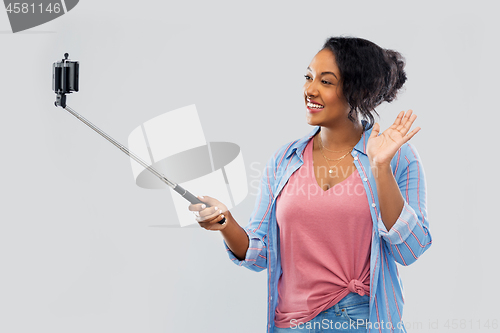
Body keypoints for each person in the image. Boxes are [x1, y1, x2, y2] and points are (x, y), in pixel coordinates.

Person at [189, 36, 432, 333]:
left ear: (360, 91)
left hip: (361, 321)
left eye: (326, 82)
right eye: (308, 77)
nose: (309, 89)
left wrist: (380, 168)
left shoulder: (396, 156)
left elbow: (410, 250)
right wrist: (225, 221)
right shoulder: (284, 159)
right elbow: (261, 253)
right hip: (291, 323)